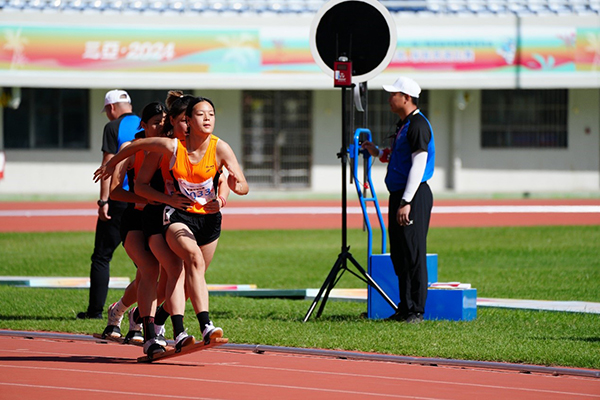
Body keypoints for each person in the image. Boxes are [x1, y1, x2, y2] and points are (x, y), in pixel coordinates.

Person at [94, 95, 248, 345]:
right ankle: (149, 326)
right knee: (154, 269)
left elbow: (225, 178)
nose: (187, 127)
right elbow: (131, 180)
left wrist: (224, 195)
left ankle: (150, 318)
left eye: (164, 121)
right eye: (158, 122)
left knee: (184, 276)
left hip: (187, 216)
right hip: (146, 217)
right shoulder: (161, 146)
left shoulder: (205, 146)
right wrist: (113, 163)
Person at [362, 77, 435, 324]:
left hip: (413, 196)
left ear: (406, 97)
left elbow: (419, 164)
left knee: (413, 252)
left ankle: (416, 310)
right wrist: (376, 152)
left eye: (393, 94)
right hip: (401, 195)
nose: (389, 98)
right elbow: (396, 157)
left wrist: (406, 201)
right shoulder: (403, 125)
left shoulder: (417, 125)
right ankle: (405, 307)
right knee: (400, 253)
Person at [101, 102, 169, 349]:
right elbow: (116, 191)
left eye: (164, 123)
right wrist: (146, 198)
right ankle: (137, 323)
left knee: (152, 276)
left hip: (162, 219)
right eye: (155, 123)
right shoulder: (131, 149)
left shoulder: (171, 147)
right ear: (143, 124)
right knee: (149, 270)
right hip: (135, 220)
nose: (161, 127)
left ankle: (124, 311)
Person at [78, 90, 141, 320]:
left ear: (111, 107)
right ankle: (146, 310)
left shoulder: (113, 127)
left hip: (119, 199)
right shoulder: (147, 125)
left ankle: (95, 311)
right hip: (142, 198)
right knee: (144, 261)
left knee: (102, 256)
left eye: (106, 110)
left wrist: (103, 200)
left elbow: (107, 165)